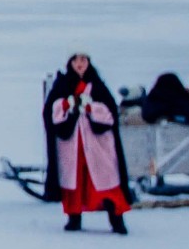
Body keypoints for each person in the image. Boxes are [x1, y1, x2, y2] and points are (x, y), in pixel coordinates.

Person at [41, 52, 131, 234]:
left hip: (98, 145)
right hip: (72, 146)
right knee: (74, 182)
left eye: (83, 60)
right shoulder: (63, 85)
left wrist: (90, 108)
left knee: (107, 181)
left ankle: (116, 219)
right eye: (76, 60)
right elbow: (52, 112)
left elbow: (110, 113)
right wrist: (68, 105)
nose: (80, 64)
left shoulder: (97, 85)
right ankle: (74, 217)